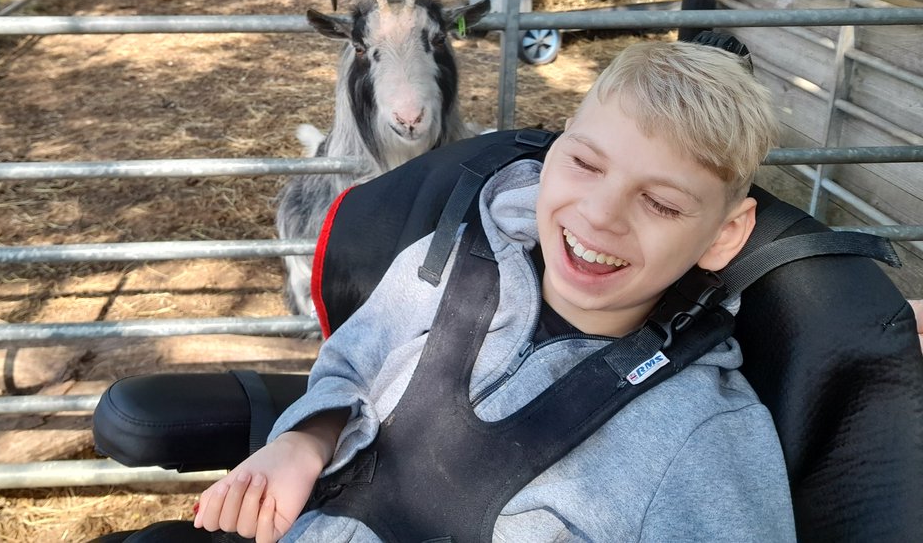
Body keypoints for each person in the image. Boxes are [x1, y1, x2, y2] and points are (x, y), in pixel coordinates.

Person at [194, 40, 796, 542]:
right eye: (585, 165)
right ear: (553, 150)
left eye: (661, 203)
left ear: (725, 235)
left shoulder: (705, 441)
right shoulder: (458, 259)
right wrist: (306, 440)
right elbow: (353, 361)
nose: (600, 215)